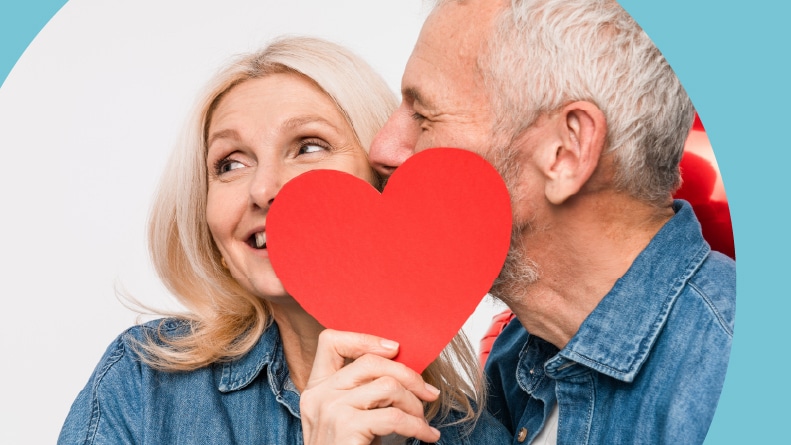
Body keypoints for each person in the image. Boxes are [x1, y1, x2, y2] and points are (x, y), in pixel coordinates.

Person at [310, 0, 735, 443]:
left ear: (564, 152)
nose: (382, 148)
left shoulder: (725, 375)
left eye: (424, 116)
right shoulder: (518, 354)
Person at [57, 36, 510, 445]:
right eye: (231, 163)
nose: (263, 190)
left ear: (380, 181)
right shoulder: (143, 386)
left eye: (309, 146)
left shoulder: (474, 437)